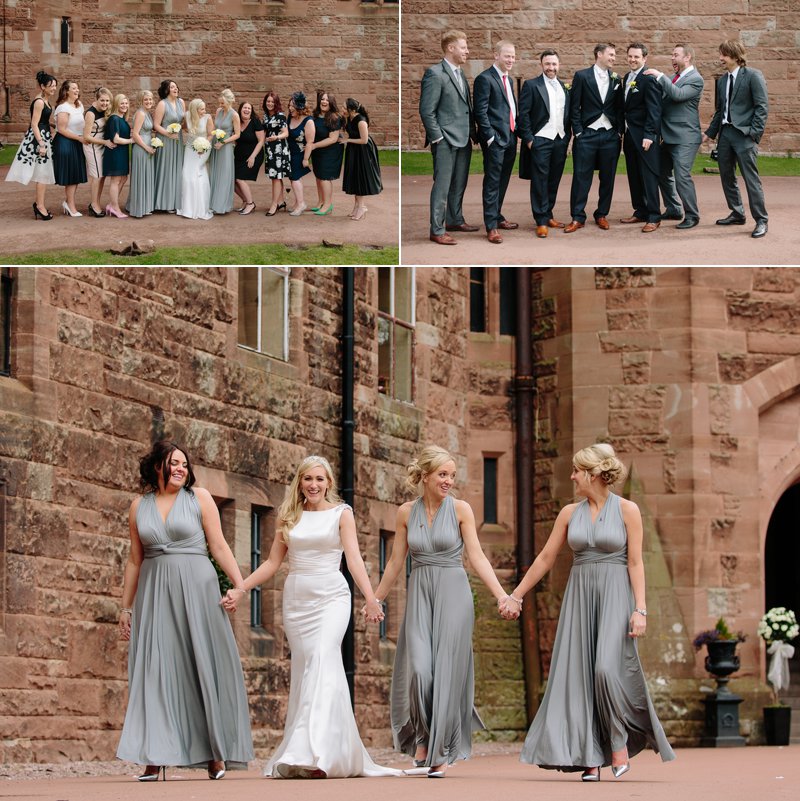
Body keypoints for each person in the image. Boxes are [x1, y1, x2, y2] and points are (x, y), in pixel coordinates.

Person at [502, 443, 676, 781]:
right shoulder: (569, 513)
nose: (572, 476)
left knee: (606, 671)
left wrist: (641, 610)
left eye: (576, 471)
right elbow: (545, 558)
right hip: (579, 597)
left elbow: (636, 562)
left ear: (593, 474)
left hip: (615, 596)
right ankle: (589, 757)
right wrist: (516, 595)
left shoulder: (628, 510)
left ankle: (617, 742)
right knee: (578, 677)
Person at [222, 455, 400, 779]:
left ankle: (318, 754)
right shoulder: (289, 516)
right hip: (297, 601)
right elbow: (272, 563)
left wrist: (372, 598)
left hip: (333, 596)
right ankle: (317, 749)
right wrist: (241, 588)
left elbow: (355, 560)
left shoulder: (341, 514)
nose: (314, 485)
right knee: (307, 669)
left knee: (322, 657)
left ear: (328, 483)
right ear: (300, 483)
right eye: (308, 479)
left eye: (320, 479)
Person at [370, 446, 517, 778]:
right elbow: (395, 562)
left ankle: (438, 751)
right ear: (425, 476)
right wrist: (375, 599)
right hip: (420, 592)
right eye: (443, 474)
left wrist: (501, 596)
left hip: (454, 593)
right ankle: (423, 736)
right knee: (420, 670)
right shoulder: (406, 512)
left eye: (452, 475)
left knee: (448, 673)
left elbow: (476, 557)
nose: (449, 481)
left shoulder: (462, 510)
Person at [116, 440, 254, 781]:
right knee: (155, 669)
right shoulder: (138, 506)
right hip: (154, 592)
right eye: (173, 463)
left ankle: (214, 754)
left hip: (197, 588)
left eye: (184, 464)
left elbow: (218, 545)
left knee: (201, 666)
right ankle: (153, 754)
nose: (180, 469)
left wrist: (239, 586)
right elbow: (135, 560)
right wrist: (125, 607)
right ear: (156, 467)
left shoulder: (199, 498)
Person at [702, 39, 769, 238]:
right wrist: (709, 134)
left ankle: (761, 220)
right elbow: (719, 110)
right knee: (726, 176)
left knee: (751, 180)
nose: (720, 58)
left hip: (744, 136)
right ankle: (738, 213)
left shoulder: (753, 76)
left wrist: (753, 134)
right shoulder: (722, 80)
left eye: (723, 54)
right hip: (725, 135)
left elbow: (762, 108)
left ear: (735, 56)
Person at [419, 30, 478, 245]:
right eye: (464, 47)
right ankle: (437, 229)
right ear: (451, 48)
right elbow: (427, 111)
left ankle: (455, 219)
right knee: (442, 187)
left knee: (459, 184)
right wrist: (438, 138)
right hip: (445, 140)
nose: (467, 51)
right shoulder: (435, 73)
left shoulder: (460, 73)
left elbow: (465, 108)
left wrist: (473, 133)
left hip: (464, 139)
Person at [565, 43, 624, 234]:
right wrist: (579, 132)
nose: (614, 58)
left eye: (614, 55)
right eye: (611, 54)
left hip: (610, 135)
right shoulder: (582, 76)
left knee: (608, 177)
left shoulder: (616, 79)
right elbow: (574, 106)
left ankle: (601, 214)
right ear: (599, 54)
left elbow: (619, 107)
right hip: (587, 134)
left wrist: (618, 132)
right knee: (581, 177)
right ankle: (577, 217)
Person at [645, 43, 704, 229]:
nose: (672, 58)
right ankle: (674, 208)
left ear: (687, 57)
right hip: (667, 137)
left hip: (686, 138)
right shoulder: (672, 78)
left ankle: (692, 215)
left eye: (675, 55)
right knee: (662, 172)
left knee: (682, 176)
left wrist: (659, 75)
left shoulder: (696, 79)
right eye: (672, 55)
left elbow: (677, 95)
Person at [518, 49, 571, 238]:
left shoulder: (565, 87)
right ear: (542, 65)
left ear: (559, 65)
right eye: (548, 64)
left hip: (560, 140)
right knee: (540, 180)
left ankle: (548, 214)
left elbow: (567, 115)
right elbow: (523, 114)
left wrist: (567, 139)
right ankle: (540, 220)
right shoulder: (532, 85)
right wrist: (530, 140)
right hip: (540, 139)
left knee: (554, 179)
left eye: (554, 64)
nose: (551, 67)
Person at [473, 40, 519, 244]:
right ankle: (491, 226)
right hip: (495, 140)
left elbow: (509, 108)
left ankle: (497, 215)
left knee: (504, 180)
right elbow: (480, 112)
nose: (511, 60)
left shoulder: (507, 79)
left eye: (513, 56)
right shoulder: (485, 78)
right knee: (492, 182)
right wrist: (490, 137)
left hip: (510, 137)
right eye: (507, 55)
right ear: (496, 55)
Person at [620, 43, 663, 233]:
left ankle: (654, 216)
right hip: (630, 135)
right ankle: (640, 210)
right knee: (634, 175)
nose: (632, 60)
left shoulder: (649, 79)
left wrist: (649, 135)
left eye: (636, 57)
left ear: (644, 58)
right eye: (630, 56)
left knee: (648, 176)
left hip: (645, 137)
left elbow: (654, 110)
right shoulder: (627, 78)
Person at [5, 70, 57, 221]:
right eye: (51, 86)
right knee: (42, 174)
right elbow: (34, 124)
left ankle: (39, 204)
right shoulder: (40, 102)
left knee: (43, 173)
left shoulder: (45, 99)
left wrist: (54, 125)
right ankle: (39, 206)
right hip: (38, 140)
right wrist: (41, 143)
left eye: (54, 85)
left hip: (44, 136)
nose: (54, 88)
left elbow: (42, 121)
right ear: (42, 86)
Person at [341, 97, 382, 221]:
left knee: (359, 179)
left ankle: (362, 207)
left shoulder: (361, 121)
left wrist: (347, 140)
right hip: (353, 150)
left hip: (363, 152)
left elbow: (364, 140)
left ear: (351, 109)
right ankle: (357, 207)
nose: (342, 109)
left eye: (344, 107)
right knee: (354, 178)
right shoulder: (349, 118)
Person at [52, 79, 88, 217]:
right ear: (66, 91)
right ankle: (70, 206)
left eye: (77, 88)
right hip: (66, 143)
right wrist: (79, 138)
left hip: (77, 142)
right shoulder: (63, 107)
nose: (77, 90)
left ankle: (68, 203)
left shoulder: (79, 105)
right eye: (74, 88)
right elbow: (61, 129)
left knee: (75, 175)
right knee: (71, 176)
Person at [176, 98, 213, 220]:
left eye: (204, 108)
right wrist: (192, 137)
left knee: (198, 174)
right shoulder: (187, 116)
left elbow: (210, 134)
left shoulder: (208, 118)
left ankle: (201, 207)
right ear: (194, 110)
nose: (204, 111)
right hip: (190, 148)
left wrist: (203, 145)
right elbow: (184, 128)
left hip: (203, 148)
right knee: (187, 174)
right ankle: (187, 207)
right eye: (201, 109)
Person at [309, 91, 344, 216]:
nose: (324, 102)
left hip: (330, 152)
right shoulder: (315, 115)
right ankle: (321, 202)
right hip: (317, 151)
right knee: (318, 177)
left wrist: (314, 145)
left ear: (331, 103)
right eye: (322, 99)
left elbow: (333, 139)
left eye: (327, 100)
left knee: (324, 177)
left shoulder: (334, 117)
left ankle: (328, 205)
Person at [152, 79, 185, 212]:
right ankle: (162, 203)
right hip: (165, 140)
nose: (175, 89)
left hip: (177, 139)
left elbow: (183, 121)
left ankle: (174, 202)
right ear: (166, 90)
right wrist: (168, 133)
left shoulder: (181, 102)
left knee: (177, 169)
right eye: (172, 87)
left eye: (176, 87)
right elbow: (156, 125)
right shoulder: (162, 104)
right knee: (166, 169)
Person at [82, 87, 113, 217]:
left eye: (107, 101)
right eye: (102, 100)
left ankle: (96, 202)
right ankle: (94, 205)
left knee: (102, 176)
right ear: (97, 99)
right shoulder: (91, 113)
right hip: (93, 146)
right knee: (96, 176)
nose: (105, 103)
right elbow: (86, 137)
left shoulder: (107, 110)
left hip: (102, 145)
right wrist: (105, 142)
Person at [209, 88, 240, 215]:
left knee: (224, 175)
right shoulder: (218, 111)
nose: (220, 105)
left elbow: (237, 134)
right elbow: (216, 127)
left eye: (222, 103)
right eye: (220, 103)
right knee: (214, 173)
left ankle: (222, 205)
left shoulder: (234, 115)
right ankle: (213, 203)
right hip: (215, 145)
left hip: (225, 147)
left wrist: (223, 142)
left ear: (229, 101)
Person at [128, 90, 157, 219]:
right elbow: (135, 134)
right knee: (141, 177)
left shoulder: (147, 113)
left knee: (146, 176)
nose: (149, 102)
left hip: (147, 146)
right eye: (146, 100)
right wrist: (146, 148)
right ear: (141, 101)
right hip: (141, 148)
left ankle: (143, 205)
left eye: (150, 99)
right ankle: (138, 208)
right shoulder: (140, 113)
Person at [103, 93, 133, 218]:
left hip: (122, 152)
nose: (124, 105)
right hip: (115, 152)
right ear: (116, 104)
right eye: (122, 103)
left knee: (124, 178)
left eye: (126, 103)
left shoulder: (122, 118)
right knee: (115, 180)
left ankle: (111, 204)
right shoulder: (114, 118)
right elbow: (115, 139)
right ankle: (115, 207)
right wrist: (131, 141)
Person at [286, 92, 315, 216]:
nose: (290, 108)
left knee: (295, 178)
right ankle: (297, 202)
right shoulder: (290, 117)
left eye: (293, 105)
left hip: (300, 154)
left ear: (300, 106)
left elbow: (310, 142)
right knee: (293, 179)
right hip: (289, 153)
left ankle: (301, 203)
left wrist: (305, 159)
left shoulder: (308, 121)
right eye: (289, 105)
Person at [233, 101, 265, 214]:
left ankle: (251, 204)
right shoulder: (236, 122)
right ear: (240, 110)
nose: (246, 110)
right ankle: (245, 201)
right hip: (239, 157)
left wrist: (252, 157)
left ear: (251, 111)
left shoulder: (255, 122)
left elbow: (261, 141)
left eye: (249, 108)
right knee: (232, 181)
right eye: (244, 108)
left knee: (239, 179)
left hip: (254, 155)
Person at [262, 91, 290, 216]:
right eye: (268, 101)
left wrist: (276, 137)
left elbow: (286, 133)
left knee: (276, 178)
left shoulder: (280, 116)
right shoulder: (265, 116)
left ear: (276, 103)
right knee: (276, 177)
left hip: (279, 150)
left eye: (272, 101)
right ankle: (281, 201)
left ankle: (274, 204)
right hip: (270, 150)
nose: (270, 103)